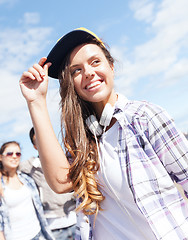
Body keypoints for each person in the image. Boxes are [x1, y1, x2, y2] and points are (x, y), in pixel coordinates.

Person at [19, 27, 188, 240]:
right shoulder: (82, 138)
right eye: (76, 70)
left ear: (112, 67)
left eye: (95, 62)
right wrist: (36, 102)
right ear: (70, 83)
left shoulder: (145, 117)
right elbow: (61, 182)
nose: (88, 72)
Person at [19, 127, 76, 240]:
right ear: (34, 146)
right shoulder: (31, 165)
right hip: (54, 225)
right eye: (38, 141)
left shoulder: (64, 159)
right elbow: (9, 168)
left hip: (74, 217)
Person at [0, 141, 54, 240]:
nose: (14, 156)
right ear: (1, 157)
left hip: (38, 234)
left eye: (18, 153)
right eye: (9, 153)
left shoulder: (27, 178)